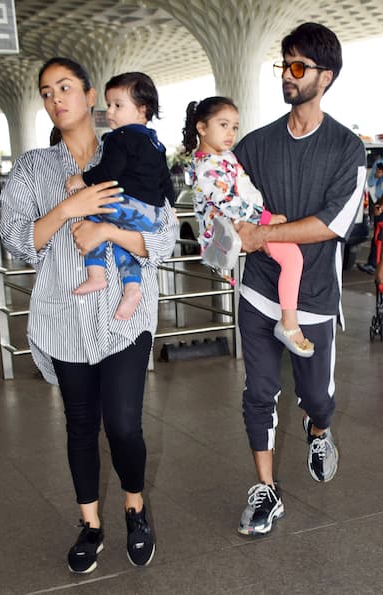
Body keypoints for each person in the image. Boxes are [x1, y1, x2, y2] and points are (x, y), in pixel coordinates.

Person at [0, 57, 179, 573]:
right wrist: (65, 211)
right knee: (80, 425)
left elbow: (163, 237)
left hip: (125, 314)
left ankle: (135, 507)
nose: (56, 99)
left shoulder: (131, 142)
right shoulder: (34, 167)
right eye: (46, 92)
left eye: (65, 87)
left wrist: (108, 232)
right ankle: (91, 524)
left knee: (123, 424)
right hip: (65, 315)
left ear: (89, 93)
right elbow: (17, 242)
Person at [233, 22, 366, 536]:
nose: (286, 76)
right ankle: (265, 491)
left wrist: (265, 235)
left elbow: (332, 225)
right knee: (258, 392)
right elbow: (229, 199)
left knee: (318, 397)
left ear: (325, 76)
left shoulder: (346, 149)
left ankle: (319, 428)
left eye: (298, 67)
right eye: (283, 64)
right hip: (260, 289)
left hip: (312, 297)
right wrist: (227, 236)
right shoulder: (256, 145)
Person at [182, 96, 314, 357]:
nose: (230, 133)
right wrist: (264, 218)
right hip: (235, 226)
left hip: (241, 224)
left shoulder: (223, 156)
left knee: (292, 258)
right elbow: (227, 200)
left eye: (234, 126)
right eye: (223, 124)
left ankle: (288, 320)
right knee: (293, 258)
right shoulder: (208, 165)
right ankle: (289, 323)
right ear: (202, 127)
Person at [65, 72, 175, 320]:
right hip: (153, 215)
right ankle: (132, 289)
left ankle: (96, 276)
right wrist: (172, 207)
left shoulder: (119, 138)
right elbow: (165, 181)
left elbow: (108, 173)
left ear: (142, 109)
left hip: (128, 206)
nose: (110, 112)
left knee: (91, 212)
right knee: (123, 243)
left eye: (117, 105)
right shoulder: (155, 143)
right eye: (109, 105)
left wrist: (81, 178)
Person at [357, 159, 383, 275]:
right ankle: (373, 264)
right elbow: (370, 183)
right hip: (379, 202)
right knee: (378, 238)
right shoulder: (378, 163)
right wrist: (377, 175)